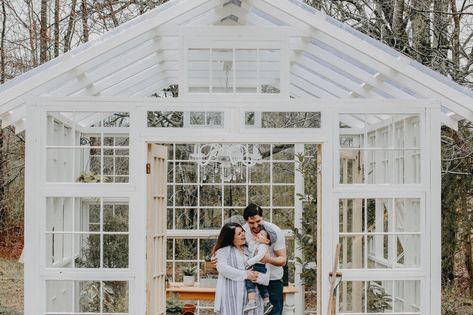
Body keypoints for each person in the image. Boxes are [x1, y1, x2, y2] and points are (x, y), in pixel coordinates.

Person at [213, 222, 269, 315]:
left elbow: (265, 271)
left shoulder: (252, 249)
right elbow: (223, 268)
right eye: (239, 233)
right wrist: (246, 274)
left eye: (243, 231)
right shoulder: (223, 251)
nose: (243, 234)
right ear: (231, 238)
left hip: (253, 298)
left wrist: (258, 277)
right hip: (231, 296)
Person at [243, 204, 286, 315]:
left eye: (258, 221)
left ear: (263, 218)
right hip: (251, 279)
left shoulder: (274, 231)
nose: (255, 225)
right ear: (246, 221)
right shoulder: (243, 231)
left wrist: (268, 259)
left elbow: (283, 260)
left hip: (273, 280)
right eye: (251, 223)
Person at [243, 227, 274, 314]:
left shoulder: (263, 246)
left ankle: (252, 302)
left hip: (258, 266)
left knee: (249, 281)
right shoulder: (259, 245)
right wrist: (254, 240)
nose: (258, 235)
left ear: (267, 241)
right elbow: (252, 249)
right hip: (260, 267)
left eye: (261, 235)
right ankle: (267, 302)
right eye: (259, 234)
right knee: (261, 286)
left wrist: (249, 262)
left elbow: (259, 256)